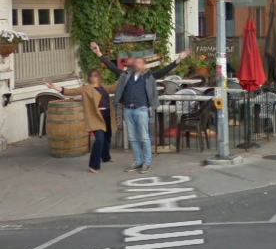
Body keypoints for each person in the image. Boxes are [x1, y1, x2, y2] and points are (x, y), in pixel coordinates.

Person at [89, 42, 189, 174]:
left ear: (144, 65)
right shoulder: (126, 75)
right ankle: (138, 161)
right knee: (133, 138)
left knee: (144, 138)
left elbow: (165, 70)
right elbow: (111, 67)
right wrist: (98, 53)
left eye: (139, 62)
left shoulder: (149, 76)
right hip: (128, 109)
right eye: (135, 62)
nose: (137, 63)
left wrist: (179, 59)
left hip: (141, 110)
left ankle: (147, 162)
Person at [45, 69, 118, 173]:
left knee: (107, 137)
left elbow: (113, 88)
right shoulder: (86, 88)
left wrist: (123, 76)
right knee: (99, 139)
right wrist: (55, 87)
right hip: (96, 117)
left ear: (99, 77)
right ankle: (94, 165)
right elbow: (71, 91)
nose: (93, 77)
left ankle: (106, 156)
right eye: (91, 75)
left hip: (107, 114)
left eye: (95, 75)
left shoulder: (103, 87)